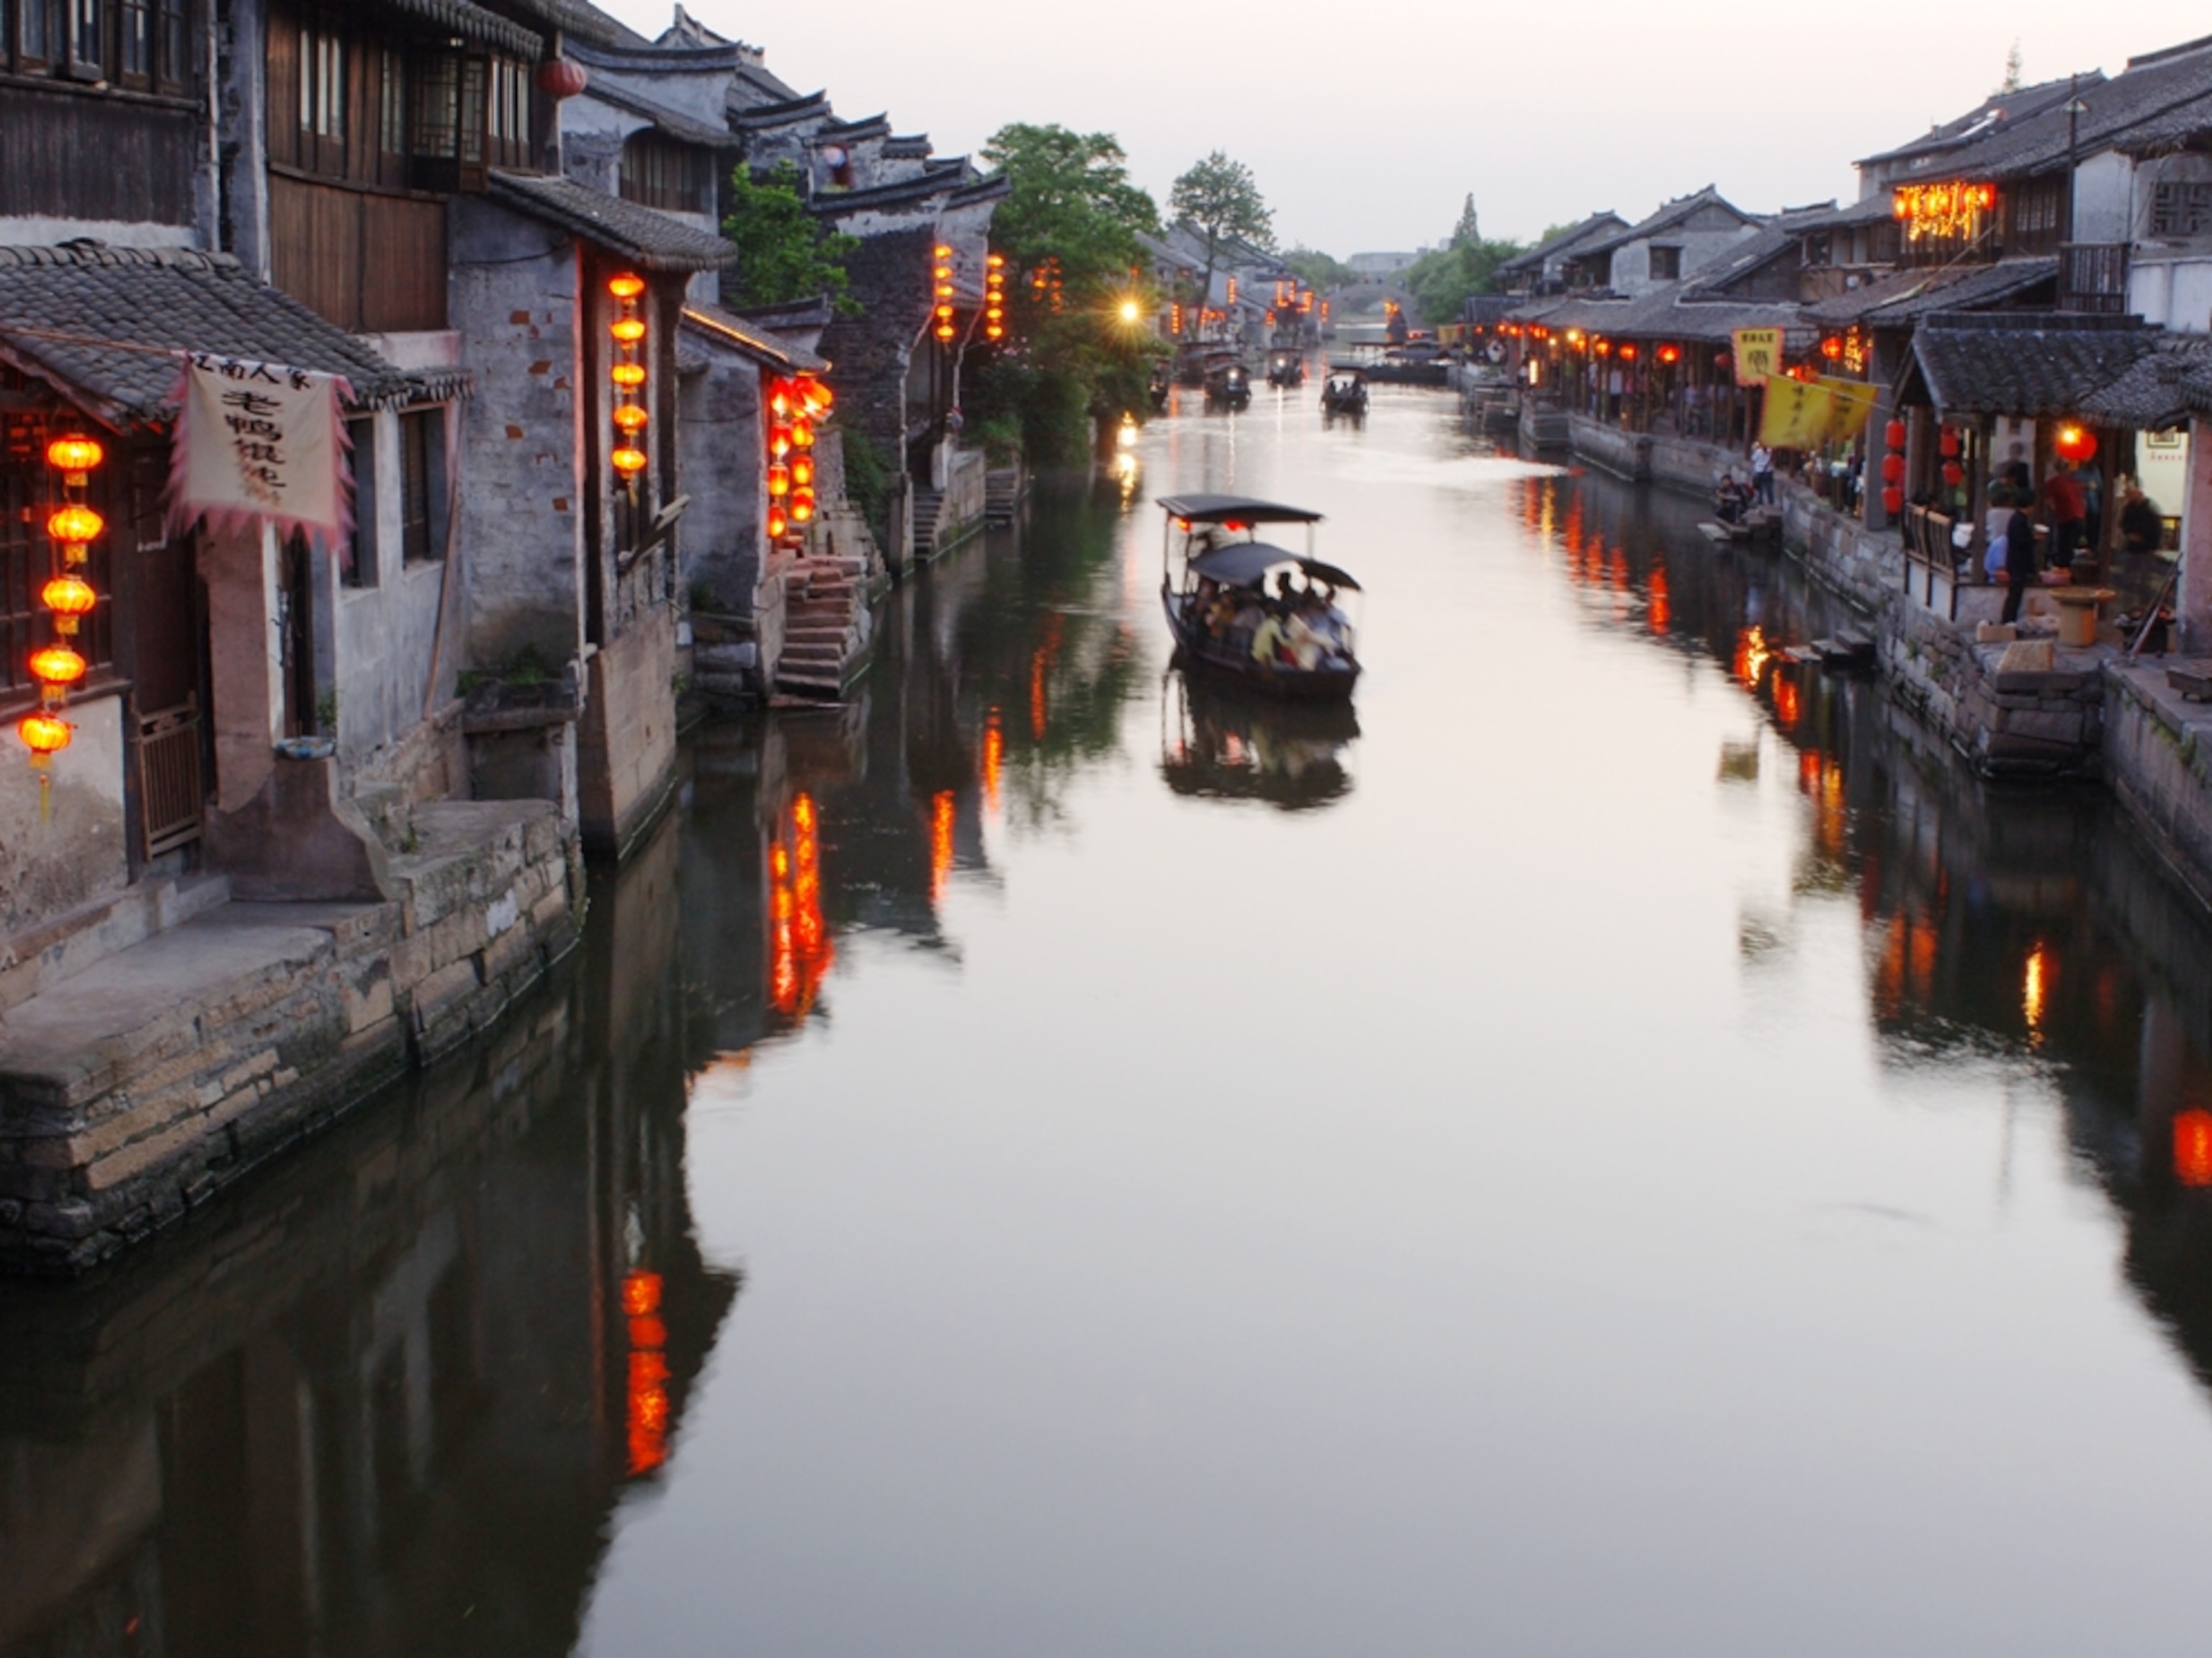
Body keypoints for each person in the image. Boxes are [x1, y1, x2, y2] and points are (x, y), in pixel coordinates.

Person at [2000, 485, 2038, 624]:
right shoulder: (2018, 520)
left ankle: (2010, 621)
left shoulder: (2017, 519)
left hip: (2016, 562)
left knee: (2016, 594)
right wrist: (2034, 539)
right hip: (2018, 562)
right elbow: (2020, 541)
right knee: (2014, 595)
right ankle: (2008, 621)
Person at [2042, 467, 2086, 569]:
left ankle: (2063, 570)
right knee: (2069, 548)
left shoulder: (2053, 483)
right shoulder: (2074, 482)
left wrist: (2053, 514)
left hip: (2067, 518)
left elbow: (2050, 502)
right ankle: (2066, 569)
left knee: (2063, 548)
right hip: (2079, 517)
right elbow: (2083, 501)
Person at [2120, 481, 2164, 555]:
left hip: (2147, 548)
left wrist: (2139, 537)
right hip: (2132, 547)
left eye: (2131, 493)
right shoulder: (2129, 508)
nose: (2127, 496)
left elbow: (2154, 532)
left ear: (2139, 493)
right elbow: (2124, 525)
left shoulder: (2150, 509)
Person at [1750, 442, 1775, 506]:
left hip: (1759, 471)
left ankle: (1760, 503)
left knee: (1760, 489)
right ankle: (1771, 503)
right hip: (1768, 471)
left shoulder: (1758, 451)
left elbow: (1753, 459)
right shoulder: (1770, 451)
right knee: (1769, 489)